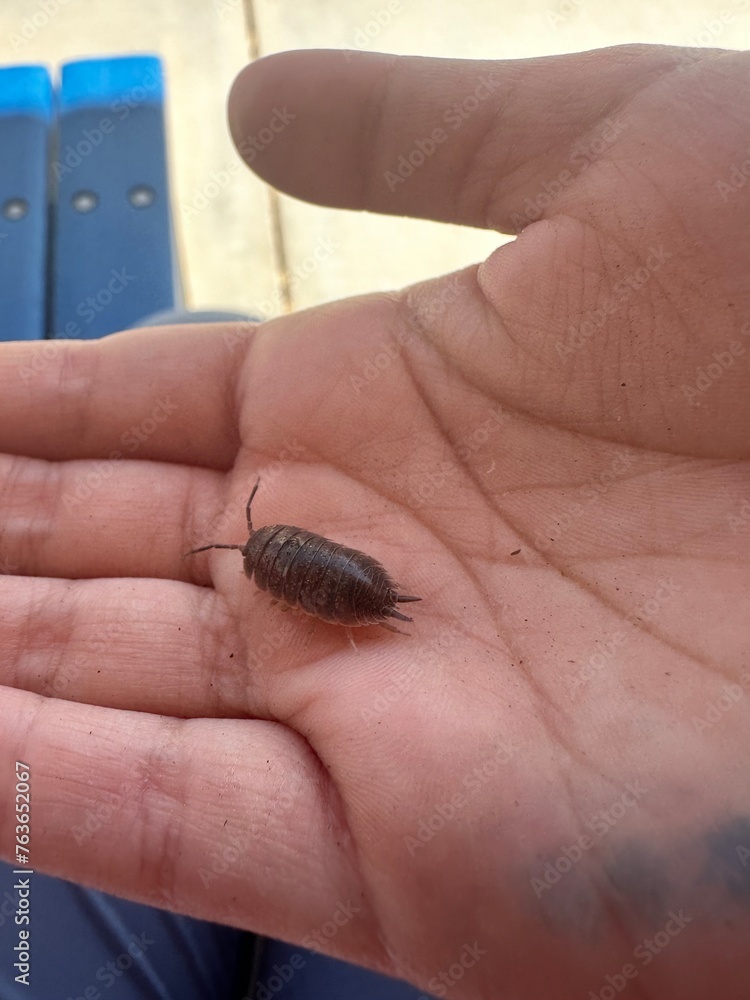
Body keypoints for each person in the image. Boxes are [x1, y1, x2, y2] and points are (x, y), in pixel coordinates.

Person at [1, 41, 749, 999]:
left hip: (356, 629)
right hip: (359, 615)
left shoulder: (280, 565)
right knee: (187, 332)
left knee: (176, 336)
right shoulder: (289, 563)